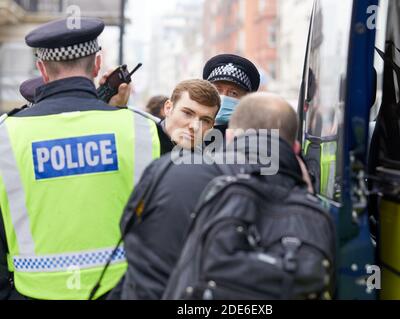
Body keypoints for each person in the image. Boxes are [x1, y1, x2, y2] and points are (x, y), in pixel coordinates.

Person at [0, 17, 160, 300]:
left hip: (31, 293)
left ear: (42, 70)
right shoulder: (144, 130)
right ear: (97, 65)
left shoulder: (5, 135)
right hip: (122, 290)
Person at [109, 92, 311, 300]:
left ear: (230, 136)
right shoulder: (305, 202)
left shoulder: (171, 171)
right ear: (294, 148)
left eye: (205, 119)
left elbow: (137, 251)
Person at [202, 54, 260, 136]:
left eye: (233, 93)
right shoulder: (190, 132)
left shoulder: (254, 138)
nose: (223, 97)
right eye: (217, 90)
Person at [157, 79, 221, 154]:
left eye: (205, 120)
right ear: (168, 108)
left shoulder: (210, 161)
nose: (195, 126)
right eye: (187, 113)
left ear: (212, 125)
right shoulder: (143, 139)